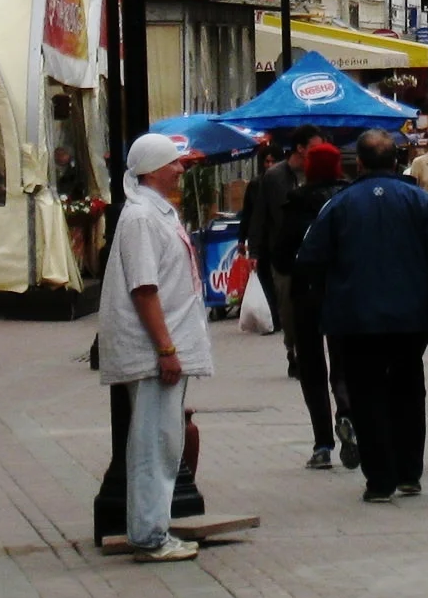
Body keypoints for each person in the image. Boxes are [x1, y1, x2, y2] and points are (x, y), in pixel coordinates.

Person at [295, 131, 428, 502]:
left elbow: (309, 256)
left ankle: (379, 478)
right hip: (411, 314)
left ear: (359, 163)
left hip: (356, 316)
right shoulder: (419, 200)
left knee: (365, 391)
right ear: (396, 161)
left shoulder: (340, 204)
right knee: (408, 386)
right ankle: (409, 471)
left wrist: (324, 295)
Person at [97, 129, 213, 561]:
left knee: (162, 441)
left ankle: (152, 529)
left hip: (164, 346)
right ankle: (148, 534)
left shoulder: (154, 212)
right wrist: (165, 349)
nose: (180, 169)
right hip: (154, 351)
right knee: (153, 443)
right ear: (151, 170)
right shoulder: (142, 218)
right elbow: (144, 288)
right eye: (172, 163)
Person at [273, 141, 349, 470]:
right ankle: (347, 412)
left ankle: (322, 444)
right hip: (344, 291)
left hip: (307, 293)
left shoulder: (297, 202)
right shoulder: (349, 199)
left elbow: (281, 255)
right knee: (344, 360)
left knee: (312, 365)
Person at [240, 139, 305, 367]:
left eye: (272, 160)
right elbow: (254, 215)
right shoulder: (266, 181)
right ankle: (290, 343)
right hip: (277, 251)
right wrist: (252, 248)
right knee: (284, 301)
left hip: (306, 253)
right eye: (265, 161)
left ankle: (304, 351)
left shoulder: (314, 176)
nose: (268, 164)